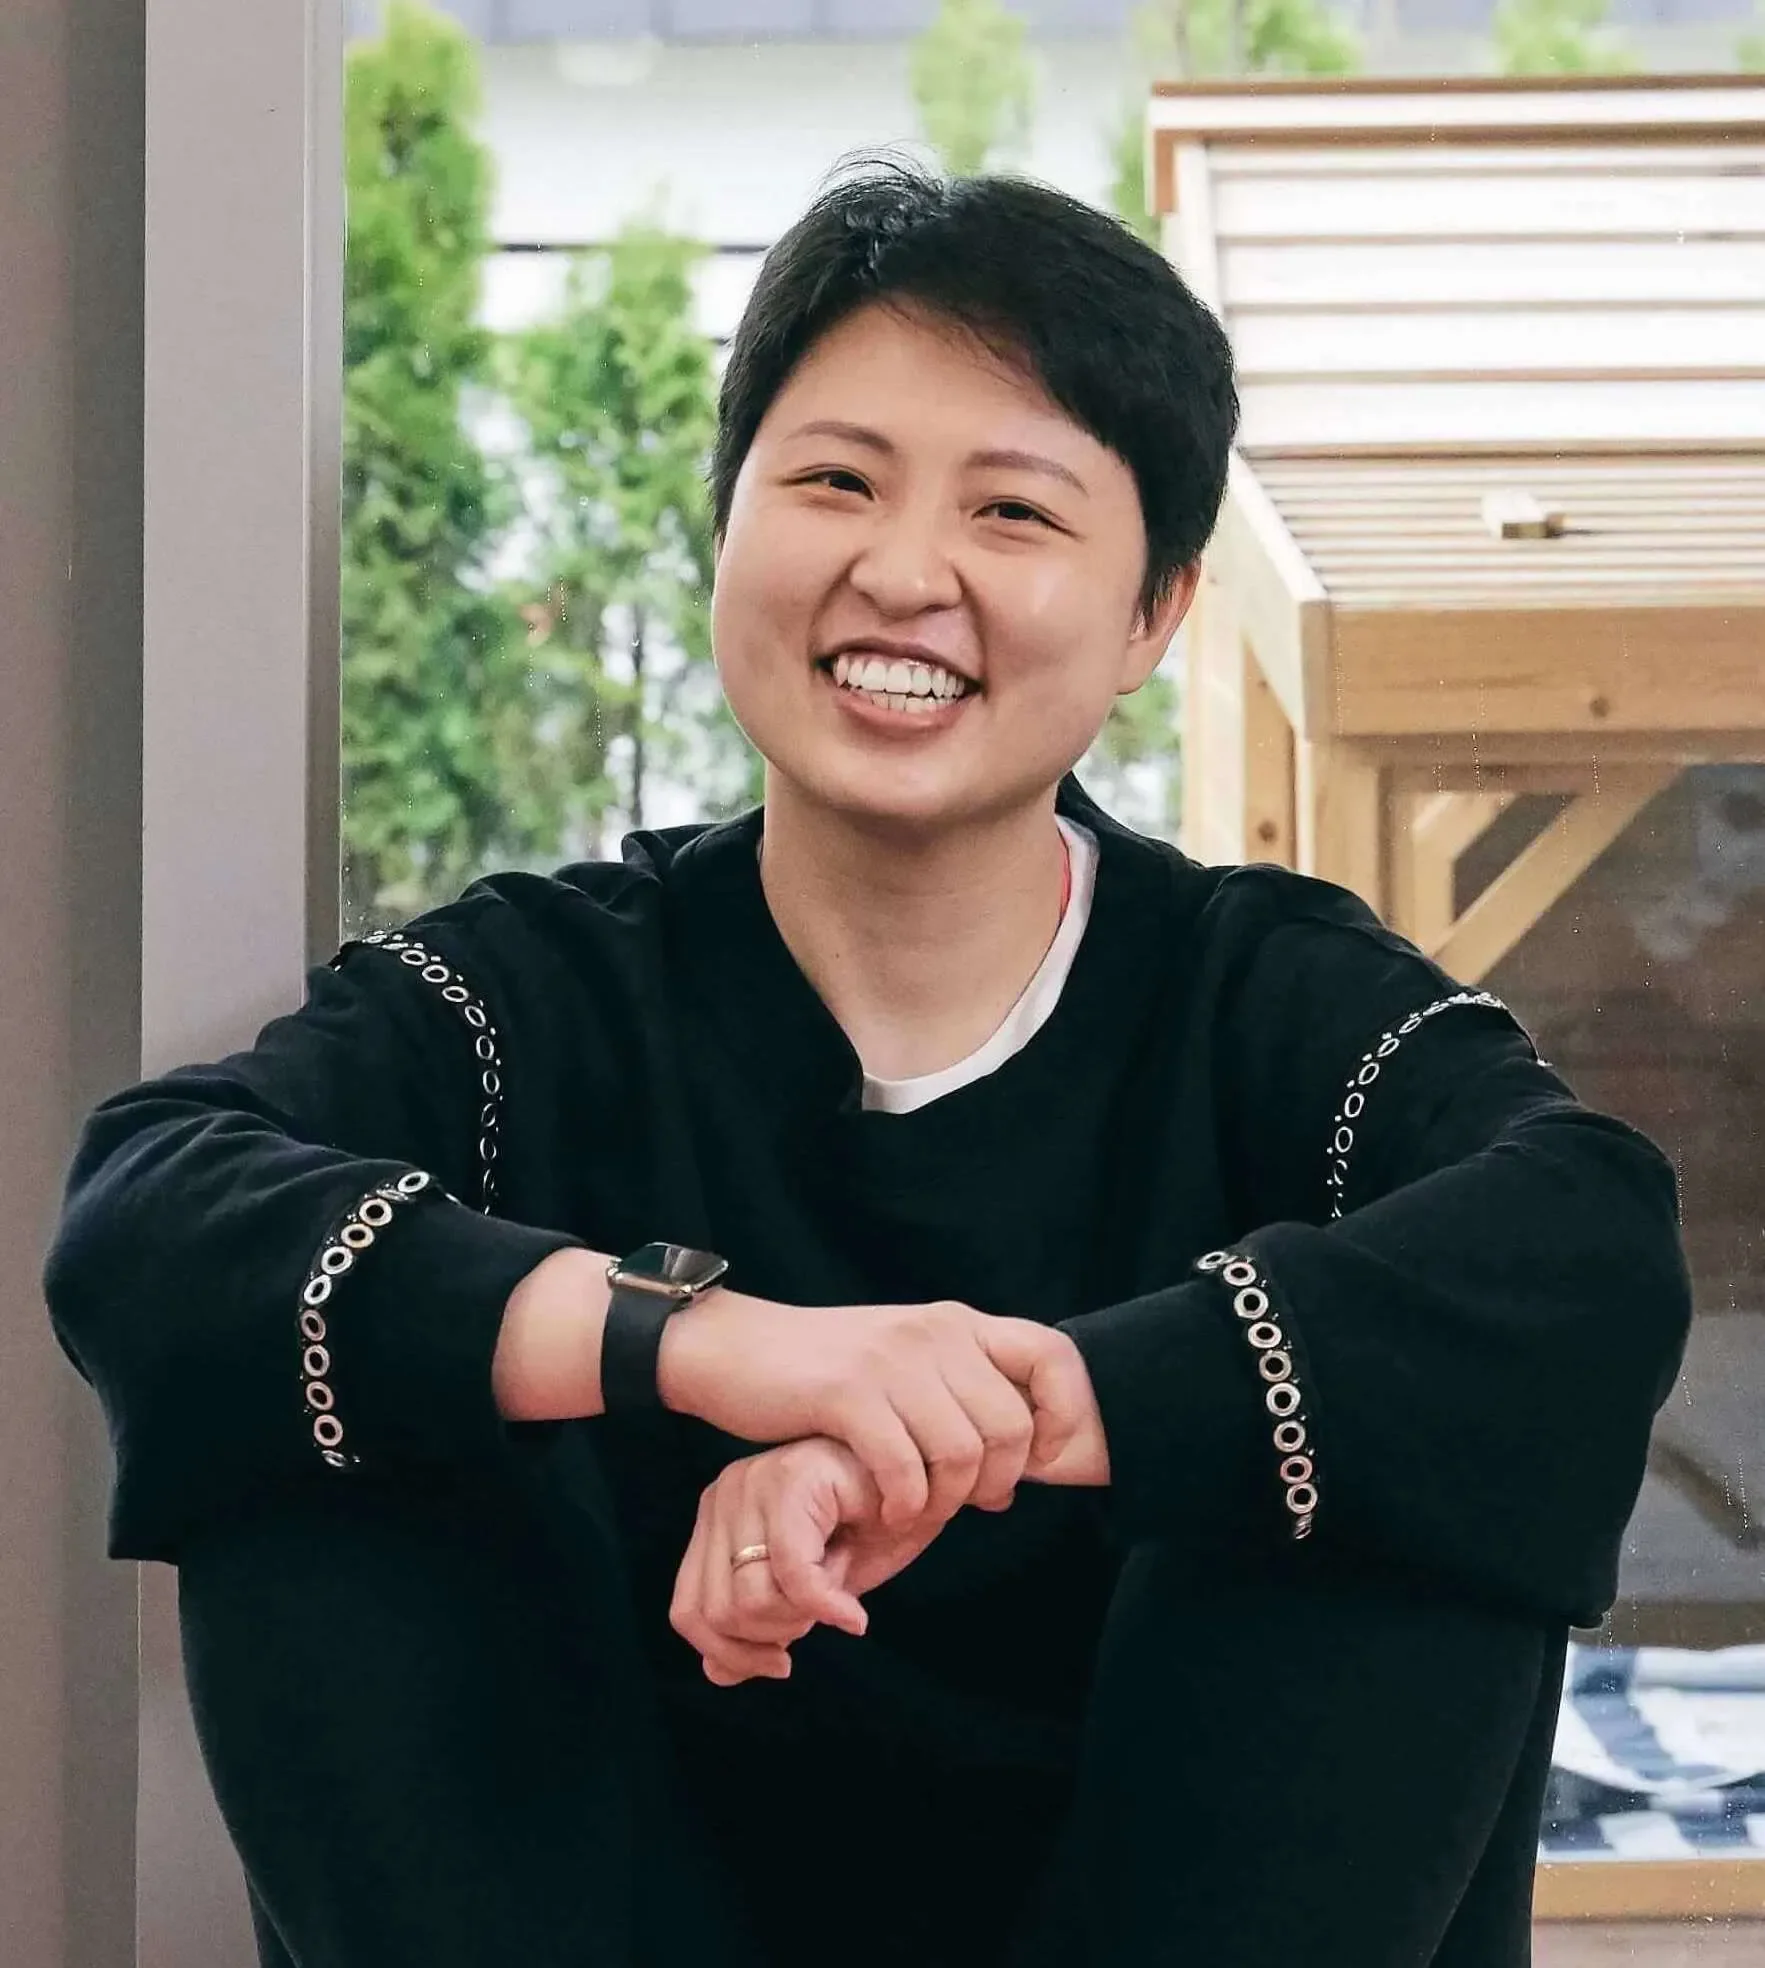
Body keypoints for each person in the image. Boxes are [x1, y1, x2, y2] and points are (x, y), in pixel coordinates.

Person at [44, 161, 1691, 1968]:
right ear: (727, 524)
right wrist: (708, 1348)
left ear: (1153, 615)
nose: (904, 574)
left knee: (1409, 1433)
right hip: (603, 1909)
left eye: (1015, 511)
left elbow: (1585, 1243)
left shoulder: (1258, 993)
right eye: (834, 481)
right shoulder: (548, 990)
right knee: (324, 1401)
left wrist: (990, 1422)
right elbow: (152, 1208)